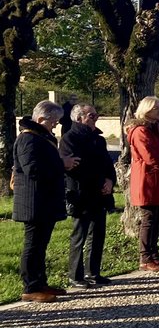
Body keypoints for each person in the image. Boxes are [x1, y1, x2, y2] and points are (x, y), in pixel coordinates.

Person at [12, 100, 78, 303]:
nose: (56, 124)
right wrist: (61, 163)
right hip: (33, 201)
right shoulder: (28, 139)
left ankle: (40, 282)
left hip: (44, 200)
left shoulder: (40, 137)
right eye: (53, 121)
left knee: (41, 245)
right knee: (33, 245)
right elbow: (32, 169)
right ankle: (30, 286)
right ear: (41, 119)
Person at [60, 102, 116, 287]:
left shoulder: (99, 140)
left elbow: (107, 164)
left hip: (100, 193)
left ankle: (93, 272)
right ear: (79, 118)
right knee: (80, 235)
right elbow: (74, 166)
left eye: (96, 115)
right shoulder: (69, 138)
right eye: (91, 116)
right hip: (81, 193)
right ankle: (75, 276)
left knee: (97, 234)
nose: (96, 118)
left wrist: (109, 180)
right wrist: (97, 179)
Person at [127, 96, 159, 272]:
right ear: (146, 109)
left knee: (157, 218)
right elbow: (150, 156)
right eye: (155, 107)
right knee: (148, 219)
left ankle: (154, 255)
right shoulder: (140, 131)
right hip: (148, 180)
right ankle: (145, 257)